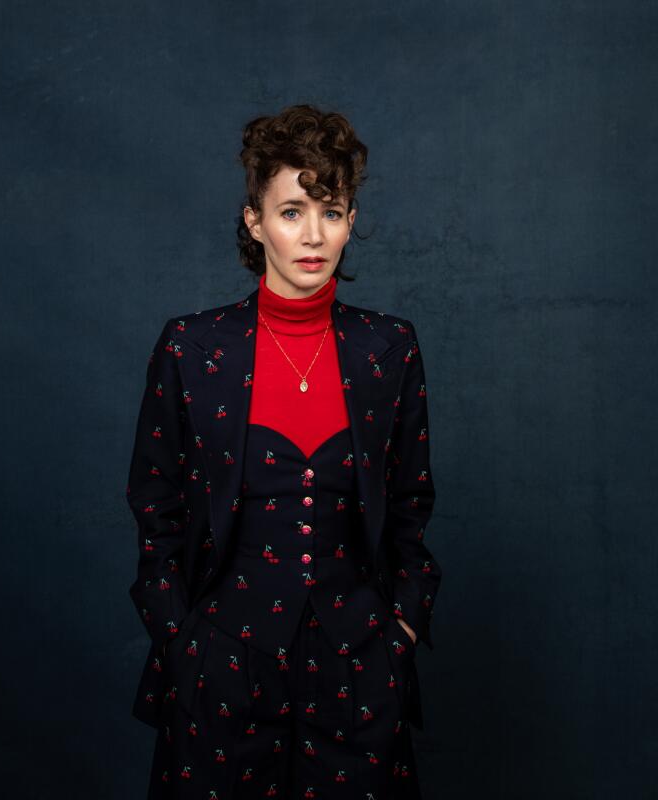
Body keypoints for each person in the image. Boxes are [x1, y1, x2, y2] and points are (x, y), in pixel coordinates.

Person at [126, 104, 441, 799]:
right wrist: (183, 644)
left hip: (359, 670)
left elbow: (412, 505)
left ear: (352, 222)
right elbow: (157, 508)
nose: (313, 234)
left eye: (331, 211)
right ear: (255, 222)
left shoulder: (389, 349)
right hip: (223, 672)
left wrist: (403, 628)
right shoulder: (193, 350)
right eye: (292, 211)